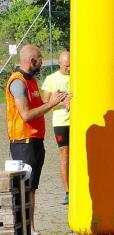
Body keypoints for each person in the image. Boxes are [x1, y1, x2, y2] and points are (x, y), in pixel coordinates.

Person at [6, 44, 69, 235]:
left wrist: (61, 102)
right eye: (40, 59)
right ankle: (26, 232)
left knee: (32, 189)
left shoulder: (31, 81)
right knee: (25, 189)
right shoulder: (18, 82)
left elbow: (39, 108)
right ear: (31, 61)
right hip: (23, 142)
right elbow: (26, 115)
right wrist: (52, 104)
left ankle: (31, 231)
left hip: (35, 141)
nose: (42, 62)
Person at [41, 50, 70, 204]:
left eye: (71, 66)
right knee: (64, 154)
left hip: (79, 122)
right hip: (61, 122)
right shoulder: (51, 79)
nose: (69, 69)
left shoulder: (79, 76)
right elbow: (45, 104)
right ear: (59, 63)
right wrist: (62, 103)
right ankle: (67, 191)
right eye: (66, 66)